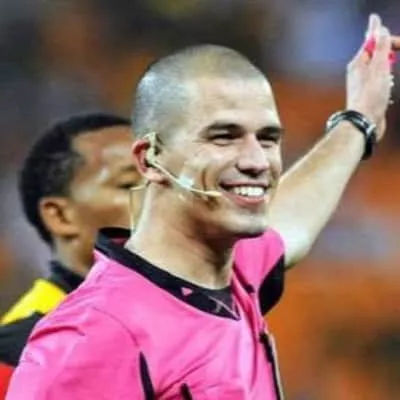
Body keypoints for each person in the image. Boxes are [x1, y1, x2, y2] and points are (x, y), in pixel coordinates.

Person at [6, 15, 397, 399]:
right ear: (150, 158)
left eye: (268, 138)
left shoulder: (230, 275)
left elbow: (290, 220)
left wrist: (359, 120)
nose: (256, 161)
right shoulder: (94, 335)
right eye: (223, 137)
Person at [0, 113, 140, 385]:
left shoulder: (201, 317)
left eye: (165, 181)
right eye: (129, 185)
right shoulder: (20, 357)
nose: (163, 199)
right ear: (61, 216)